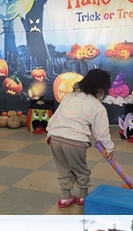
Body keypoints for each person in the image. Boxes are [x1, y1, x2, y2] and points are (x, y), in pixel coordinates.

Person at [46, 69, 116, 208]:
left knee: (63, 169)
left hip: (55, 138)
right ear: (101, 89)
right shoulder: (97, 106)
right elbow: (101, 133)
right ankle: (83, 196)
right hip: (75, 141)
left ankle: (65, 198)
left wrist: (49, 132)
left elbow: (56, 116)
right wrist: (109, 148)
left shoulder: (70, 97)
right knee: (80, 170)